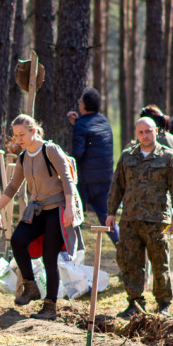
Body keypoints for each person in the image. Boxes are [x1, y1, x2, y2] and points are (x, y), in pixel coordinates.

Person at [0, 114, 76, 321]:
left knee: (49, 257)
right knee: (18, 240)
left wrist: (70, 207)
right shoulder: (23, 157)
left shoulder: (50, 150)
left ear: (33, 131)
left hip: (56, 209)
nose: (18, 139)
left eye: (22, 134)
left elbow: (67, 178)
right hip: (36, 210)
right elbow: (12, 187)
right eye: (15, 135)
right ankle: (30, 286)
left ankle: (50, 306)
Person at [107, 117, 173, 318]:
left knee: (160, 262)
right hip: (130, 219)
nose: (145, 135)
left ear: (156, 131)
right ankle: (134, 303)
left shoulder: (168, 157)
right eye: (141, 132)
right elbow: (117, 187)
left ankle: (163, 304)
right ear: (136, 133)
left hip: (157, 220)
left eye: (148, 131)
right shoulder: (127, 157)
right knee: (130, 262)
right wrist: (110, 213)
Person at [67, 87, 117, 244]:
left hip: (86, 181)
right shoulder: (104, 121)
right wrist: (77, 123)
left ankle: (71, 256)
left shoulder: (81, 125)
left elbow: (78, 153)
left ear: (84, 105)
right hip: (105, 179)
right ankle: (125, 252)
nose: (79, 104)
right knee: (106, 218)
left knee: (73, 216)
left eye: (80, 101)